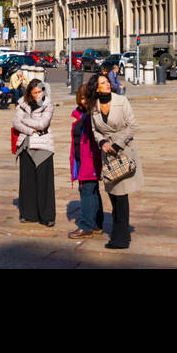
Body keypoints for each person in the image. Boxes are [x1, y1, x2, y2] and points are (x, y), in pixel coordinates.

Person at [90, 72, 142, 249]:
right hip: (107, 154)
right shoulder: (94, 106)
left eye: (107, 82)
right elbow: (94, 130)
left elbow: (133, 125)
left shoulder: (121, 101)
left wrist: (117, 144)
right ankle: (121, 234)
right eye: (102, 83)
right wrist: (103, 142)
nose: (107, 85)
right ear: (96, 88)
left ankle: (120, 238)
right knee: (113, 195)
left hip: (123, 152)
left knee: (121, 197)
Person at [13, 78, 55, 228]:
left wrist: (25, 120)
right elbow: (16, 123)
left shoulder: (48, 104)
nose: (38, 95)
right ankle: (28, 213)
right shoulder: (22, 104)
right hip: (26, 144)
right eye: (35, 92)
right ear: (30, 93)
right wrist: (31, 129)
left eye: (40, 91)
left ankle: (47, 216)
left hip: (43, 145)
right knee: (27, 181)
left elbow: (43, 124)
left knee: (45, 182)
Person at [68, 85, 104, 239]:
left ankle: (86, 225)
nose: (83, 101)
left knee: (87, 191)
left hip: (89, 158)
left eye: (86, 98)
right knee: (92, 190)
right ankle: (96, 223)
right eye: (81, 98)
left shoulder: (92, 115)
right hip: (81, 158)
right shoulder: (81, 115)